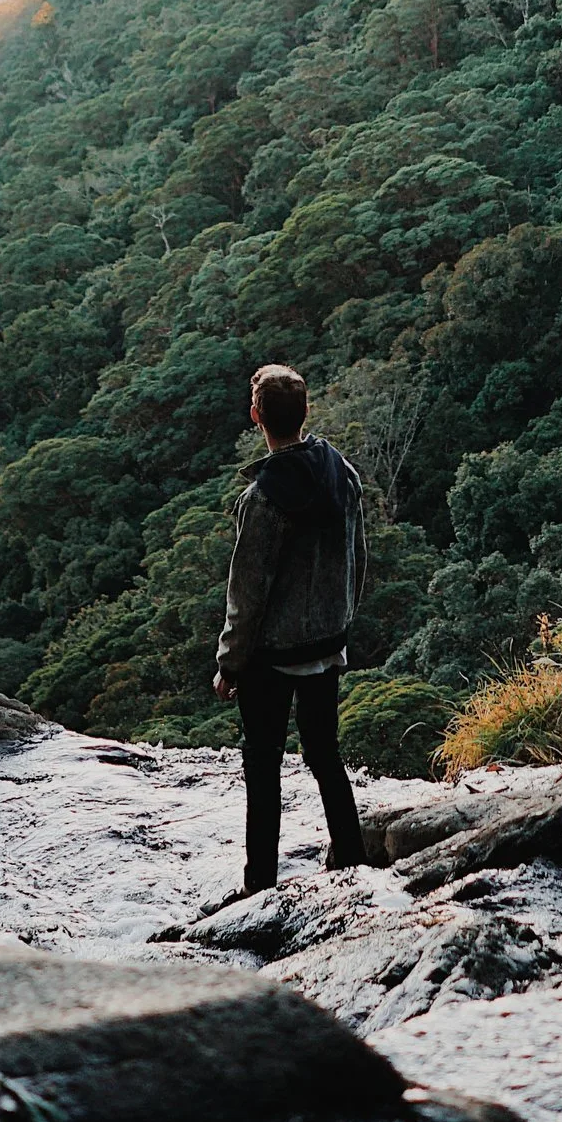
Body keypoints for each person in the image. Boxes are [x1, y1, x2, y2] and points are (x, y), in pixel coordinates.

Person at [213, 361, 367, 893]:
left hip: (272, 657)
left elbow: (247, 594)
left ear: (256, 416)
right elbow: (357, 558)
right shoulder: (342, 474)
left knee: (263, 765)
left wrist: (230, 664)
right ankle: (352, 859)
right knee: (325, 754)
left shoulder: (261, 499)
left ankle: (260, 886)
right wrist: (341, 622)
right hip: (327, 644)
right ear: (305, 412)